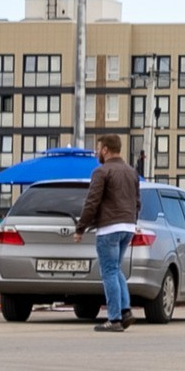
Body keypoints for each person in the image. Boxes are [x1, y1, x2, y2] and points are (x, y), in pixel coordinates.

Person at [76, 133, 138, 332]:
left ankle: (114, 319)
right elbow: (137, 202)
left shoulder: (101, 172)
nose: (97, 153)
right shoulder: (131, 172)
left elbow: (92, 201)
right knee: (115, 268)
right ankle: (125, 311)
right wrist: (132, 221)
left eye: (98, 148)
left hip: (109, 228)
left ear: (105, 150)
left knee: (109, 271)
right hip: (128, 226)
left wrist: (80, 228)